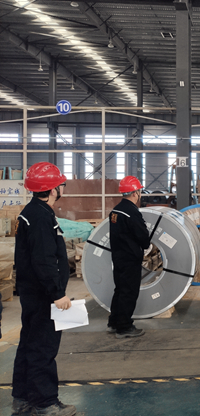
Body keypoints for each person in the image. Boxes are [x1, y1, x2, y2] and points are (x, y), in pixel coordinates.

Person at [12, 162, 76, 416]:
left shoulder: (34, 211)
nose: (63, 188)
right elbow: (44, 259)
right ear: (52, 189)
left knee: (29, 343)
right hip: (42, 296)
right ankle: (44, 402)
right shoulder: (40, 217)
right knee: (42, 347)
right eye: (61, 184)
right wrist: (57, 293)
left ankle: (23, 397)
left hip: (33, 293)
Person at [107, 176, 151, 339]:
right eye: (139, 191)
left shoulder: (116, 210)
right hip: (130, 259)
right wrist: (146, 244)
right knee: (129, 292)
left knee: (119, 290)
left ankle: (114, 322)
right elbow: (142, 236)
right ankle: (124, 327)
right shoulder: (131, 212)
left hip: (118, 257)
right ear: (135, 193)